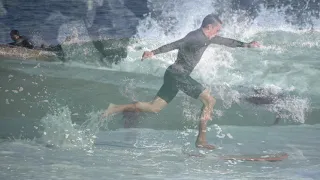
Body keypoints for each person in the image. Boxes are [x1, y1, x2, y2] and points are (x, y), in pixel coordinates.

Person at [102, 14, 260, 149]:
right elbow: (175, 44)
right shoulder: (195, 36)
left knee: (154, 107)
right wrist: (153, 52)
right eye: (217, 30)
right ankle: (201, 140)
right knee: (209, 100)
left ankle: (115, 108)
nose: (218, 33)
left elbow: (226, 42)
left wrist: (246, 44)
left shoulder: (208, 38)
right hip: (178, 74)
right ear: (210, 27)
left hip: (174, 74)